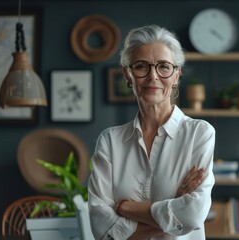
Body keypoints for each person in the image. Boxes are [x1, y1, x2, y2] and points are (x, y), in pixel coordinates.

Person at [88, 24, 216, 240]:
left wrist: (126, 208)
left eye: (164, 66)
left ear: (176, 75)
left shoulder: (199, 134)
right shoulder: (110, 141)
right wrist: (173, 210)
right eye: (141, 66)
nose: (153, 76)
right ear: (128, 75)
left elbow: (192, 216)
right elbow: (100, 226)